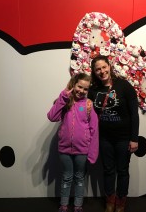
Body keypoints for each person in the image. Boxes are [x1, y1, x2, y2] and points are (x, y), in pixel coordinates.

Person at [88, 55, 139, 212]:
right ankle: (110, 200)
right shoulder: (93, 90)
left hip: (123, 138)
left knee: (122, 170)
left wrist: (134, 139)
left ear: (109, 66)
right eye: (98, 69)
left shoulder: (124, 86)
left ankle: (121, 201)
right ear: (94, 72)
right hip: (104, 138)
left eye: (104, 67)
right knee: (108, 170)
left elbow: (134, 114)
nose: (102, 71)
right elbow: (85, 110)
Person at [47, 73, 99, 212]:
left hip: (82, 150)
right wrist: (63, 97)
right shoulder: (65, 101)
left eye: (85, 89)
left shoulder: (88, 105)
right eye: (79, 87)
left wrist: (92, 154)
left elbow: (94, 130)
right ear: (74, 85)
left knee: (79, 178)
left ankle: (78, 205)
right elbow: (52, 117)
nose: (81, 91)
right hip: (64, 149)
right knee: (66, 177)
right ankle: (64, 205)